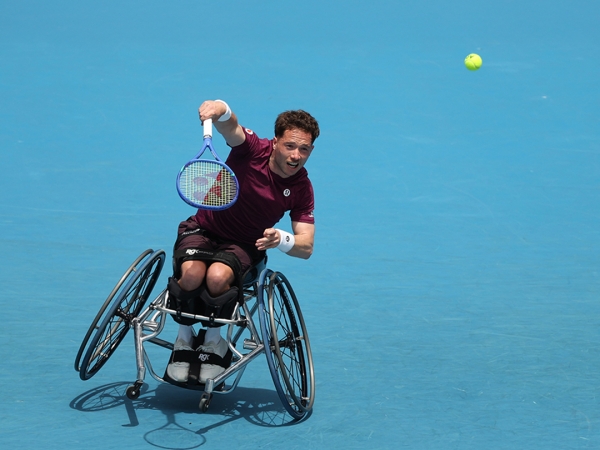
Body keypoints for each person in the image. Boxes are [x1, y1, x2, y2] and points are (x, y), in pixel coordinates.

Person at [166, 99, 319, 384]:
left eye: (304, 149)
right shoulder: (252, 149)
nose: (296, 155)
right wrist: (219, 108)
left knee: (216, 278)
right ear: (275, 142)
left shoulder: (301, 189)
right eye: (290, 146)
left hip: (244, 246)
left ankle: (214, 342)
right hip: (203, 228)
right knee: (192, 274)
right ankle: (183, 340)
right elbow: (231, 127)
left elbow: (306, 246)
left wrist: (282, 238)